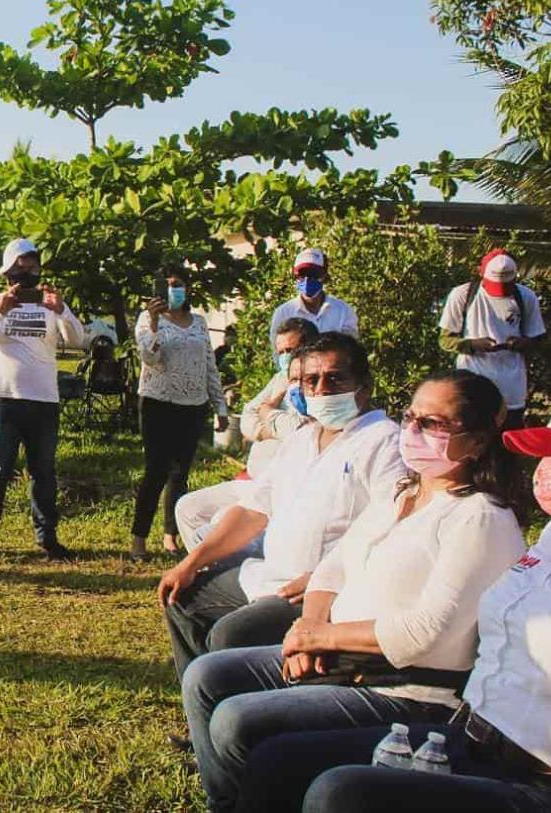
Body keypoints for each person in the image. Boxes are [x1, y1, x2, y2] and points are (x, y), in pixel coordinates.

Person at [179, 370, 526, 813]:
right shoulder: (403, 494)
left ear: (477, 442)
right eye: (411, 417)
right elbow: (332, 567)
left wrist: (322, 638)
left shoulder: (479, 518)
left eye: (434, 424)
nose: (414, 431)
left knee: (238, 719)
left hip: (405, 689)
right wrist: (308, 626)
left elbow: (424, 633)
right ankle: (228, 800)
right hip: (337, 654)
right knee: (207, 678)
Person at [158, 333, 405, 680]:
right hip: (267, 575)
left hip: (318, 591)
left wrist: (327, 575)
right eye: (311, 381)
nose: (321, 390)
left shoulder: (384, 441)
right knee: (181, 599)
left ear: (363, 387)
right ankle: (202, 711)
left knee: (230, 636)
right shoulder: (302, 438)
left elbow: (394, 527)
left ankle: (236, 716)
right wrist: (190, 562)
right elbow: (252, 512)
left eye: (335, 379)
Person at [0, 238, 85, 559]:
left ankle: (47, 538)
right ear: (7, 272)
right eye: (21, 267)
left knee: (44, 471)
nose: (28, 273)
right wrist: (0, 311)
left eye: (33, 266)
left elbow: (78, 339)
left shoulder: (49, 304)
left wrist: (61, 310)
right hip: (3, 400)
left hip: (44, 400)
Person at [174, 318, 318, 553]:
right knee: (188, 508)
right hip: (253, 479)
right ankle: (208, 577)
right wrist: (266, 428)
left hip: (279, 490)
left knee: (218, 524)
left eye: (290, 350)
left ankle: (225, 576)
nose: (285, 357)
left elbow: (301, 430)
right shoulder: (281, 379)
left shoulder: (319, 383)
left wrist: (269, 413)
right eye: (280, 351)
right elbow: (248, 418)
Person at [130, 267, 229, 559]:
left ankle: (170, 535)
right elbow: (150, 358)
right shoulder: (146, 321)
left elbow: (209, 365)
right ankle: (139, 538)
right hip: (158, 404)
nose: (173, 289)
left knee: (180, 474)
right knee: (156, 471)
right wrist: (154, 322)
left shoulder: (199, 322)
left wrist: (219, 405)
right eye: (168, 285)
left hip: (193, 406)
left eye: (179, 285)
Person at [439, 247, 545, 430]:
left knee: (507, 444)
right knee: (473, 442)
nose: (502, 291)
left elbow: (537, 337)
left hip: (512, 389)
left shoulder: (526, 297)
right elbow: (445, 340)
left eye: (507, 285)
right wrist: (472, 344)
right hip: (473, 385)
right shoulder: (462, 295)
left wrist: (523, 343)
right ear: (482, 275)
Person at [268, 248, 359, 346]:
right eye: (302, 274)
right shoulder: (283, 313)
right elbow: (278, 353)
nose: (307, 279)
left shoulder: (343, 311)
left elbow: (350, 348)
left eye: (313, 274)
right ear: (295, 276)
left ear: (324, 275)